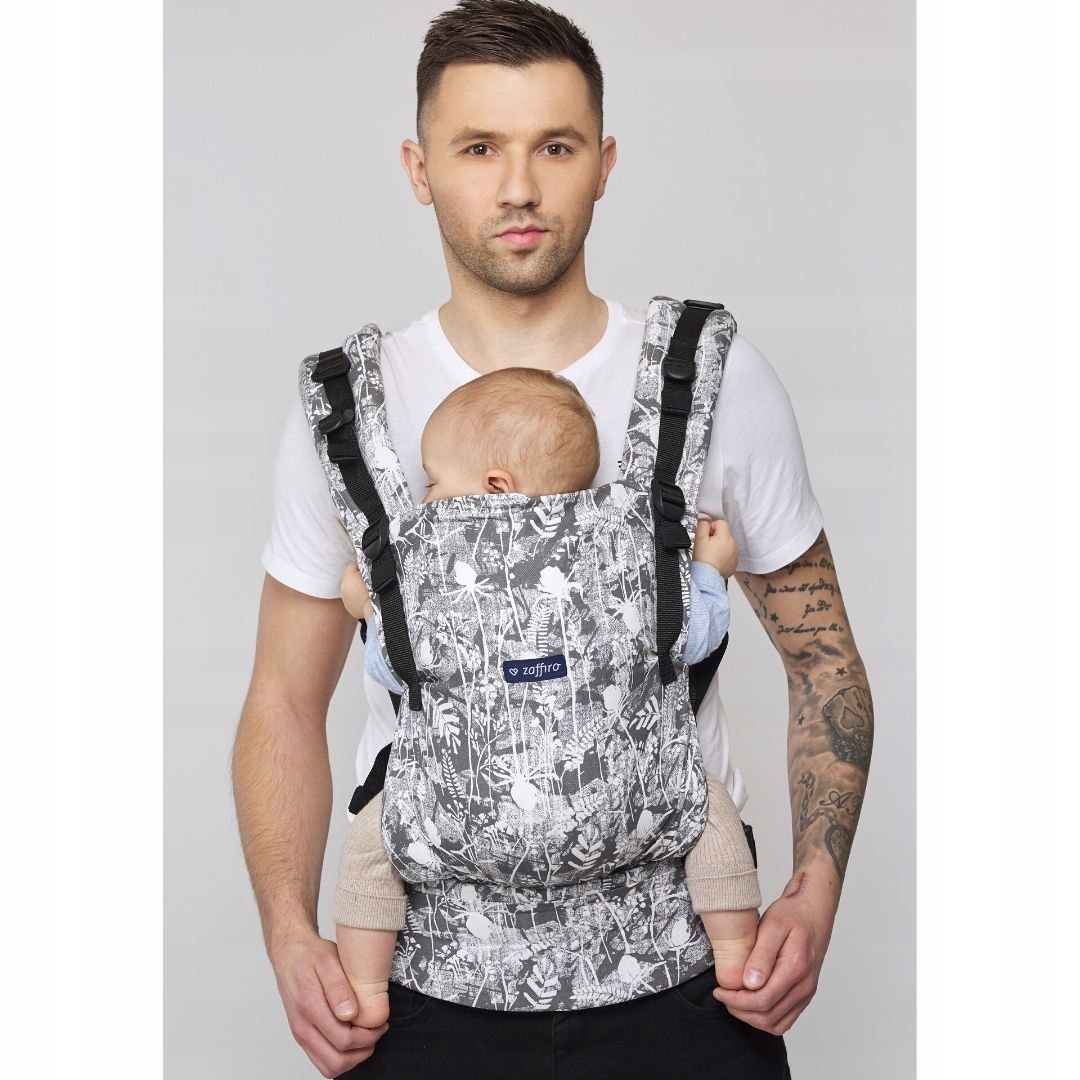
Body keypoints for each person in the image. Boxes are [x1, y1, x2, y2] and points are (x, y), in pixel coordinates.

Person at [232, 2, 874, 1076]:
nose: (520, 187)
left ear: (604, 164)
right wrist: (291, 934)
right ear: (420, 168)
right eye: (479, 147)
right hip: (420, 1002)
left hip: (687, 992)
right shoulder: (346, 412)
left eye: (557, 147)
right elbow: (283, 700)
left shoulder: (714, 381)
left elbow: (822, 660)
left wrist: (814, 891)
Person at [331, 366, 761, 1031]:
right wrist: (709, 573)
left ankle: (363, 987)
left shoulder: (430, 578)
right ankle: (736, 958)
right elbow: (692, 637)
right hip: (625, 801)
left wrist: (368, 611)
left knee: (372, 841)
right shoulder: (628, 551)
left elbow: (397, 672)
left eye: (433, 482)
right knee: (709, 814)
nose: (427, 498)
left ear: (495, 486)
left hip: (462, 813)